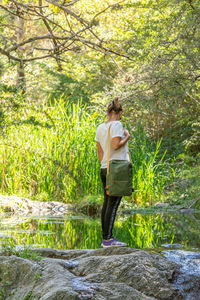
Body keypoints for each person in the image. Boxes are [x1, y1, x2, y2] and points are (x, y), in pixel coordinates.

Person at [95, 97, 130, 248]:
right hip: (116, 169)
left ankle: (106, 238)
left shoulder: (100, 127)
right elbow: (115, 146)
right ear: (119, 112)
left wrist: (106, 164)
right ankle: (108, 239)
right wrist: (127, 137)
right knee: (113, 204)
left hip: (105, 168)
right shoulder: (117, 124)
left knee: (107, 203)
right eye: (122, 113)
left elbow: (100, 152)